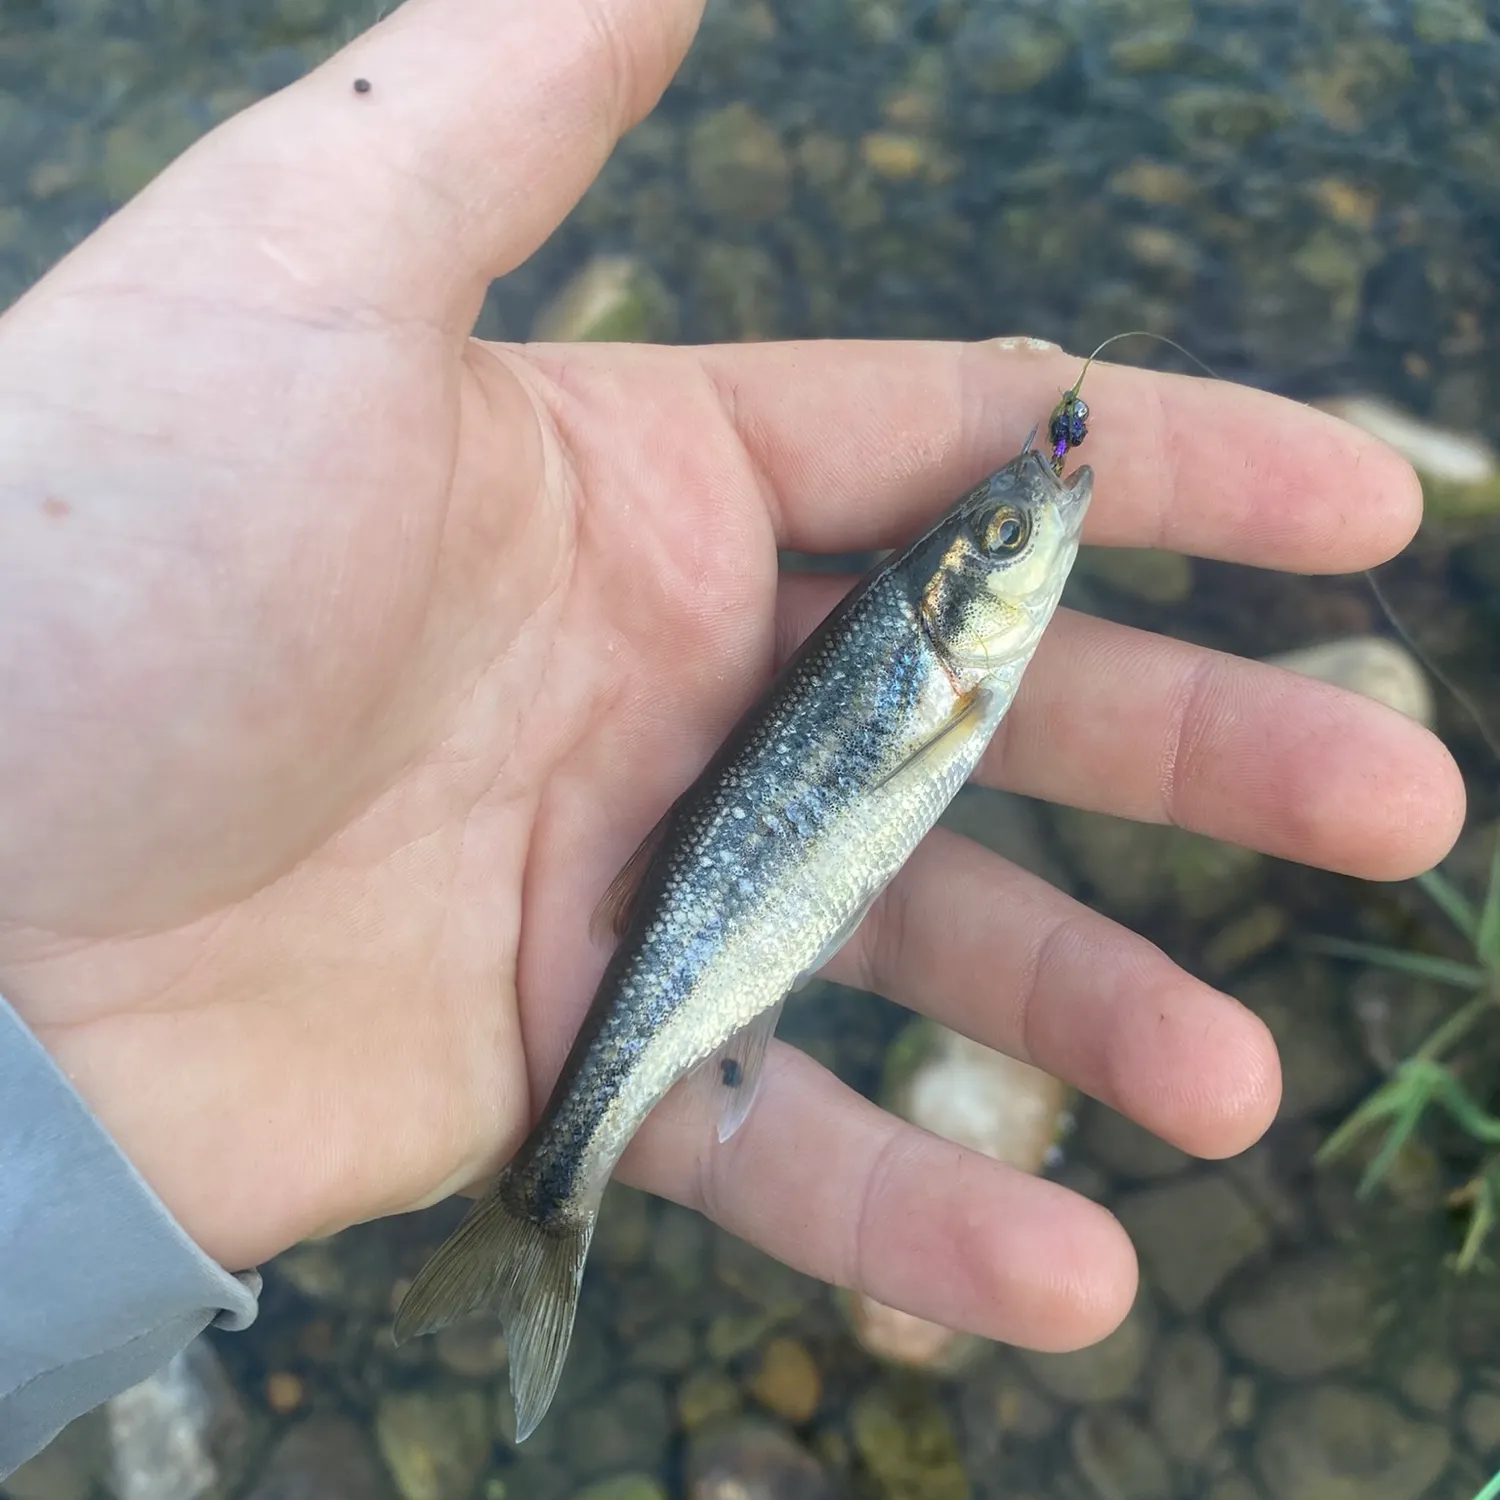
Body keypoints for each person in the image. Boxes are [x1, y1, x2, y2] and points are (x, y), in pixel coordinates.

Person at [0, 0, 1466, 1474]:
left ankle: (545, 1201)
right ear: (966, 595)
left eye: (1011, 526)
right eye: (1016, 531)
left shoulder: (951, 645)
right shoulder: (944, 656)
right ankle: (546, 1200)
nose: (1046, 523)